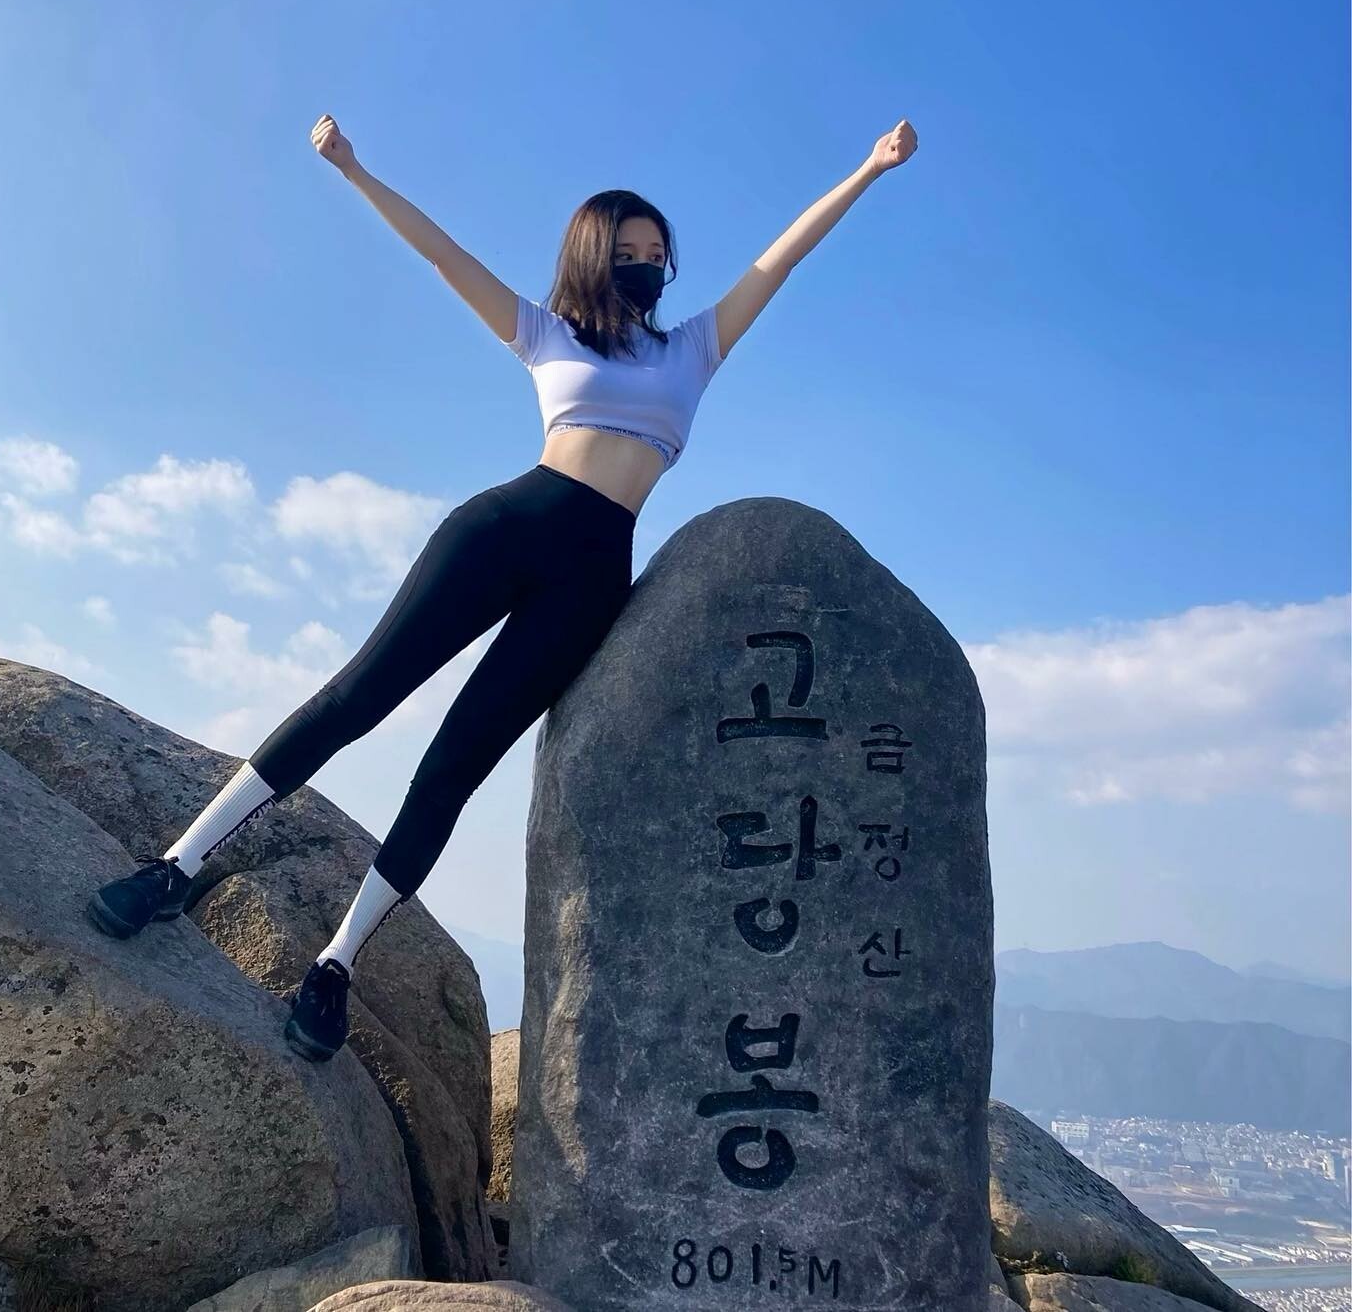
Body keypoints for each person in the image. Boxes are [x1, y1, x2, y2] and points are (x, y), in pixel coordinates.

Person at [87, 110, 919, 1061]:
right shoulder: (546, 332)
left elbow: (780, 259)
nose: (647, 268)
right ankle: (175, 865)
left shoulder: (691, 349)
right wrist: (354, 169)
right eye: (629, 253)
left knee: (457, 763)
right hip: (500, 532)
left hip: (592, 580)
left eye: (658, 256)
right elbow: (443, 254)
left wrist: (868, 169)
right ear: (594, 257)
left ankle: (336, 964)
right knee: (356, 699)